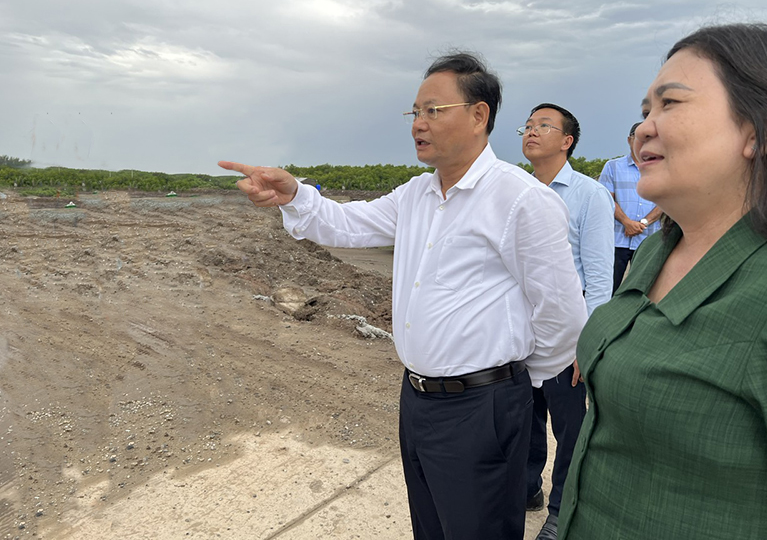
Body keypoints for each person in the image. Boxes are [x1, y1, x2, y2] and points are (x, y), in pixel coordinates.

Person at [219, 52, 588, 540]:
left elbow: (561, 312)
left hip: (484, 406)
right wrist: (295, 196)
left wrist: (514, 384)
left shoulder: (520, 199)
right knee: (432, 528)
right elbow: (347, 223)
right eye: (414, 112)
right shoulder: (417, 194)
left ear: (480, 116)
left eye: (433, 110)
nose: (419, 123)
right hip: (417, 400)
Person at [559, 23, 767, 539]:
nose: (645, 126)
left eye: (670, 104)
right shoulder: (658, 251)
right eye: (647, 109)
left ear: (761, 130)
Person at [519, 103, 614, 540]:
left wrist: (587, 342)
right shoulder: (517, 188)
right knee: (524, 416)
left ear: (567, 141)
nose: (531, 131)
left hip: (566, 331)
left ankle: (560, 510)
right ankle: (528, 489)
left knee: (570, 426)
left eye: (544, 125)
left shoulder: (589, 195)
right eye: (528, 125)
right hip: (521, 327)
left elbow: (598, 277)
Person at [599, 123, 662, 291]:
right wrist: (627, 222)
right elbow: (606, 199)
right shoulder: (612, 167)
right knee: (609, 287)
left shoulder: (662, 169)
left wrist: (643, 222)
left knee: (643, 289)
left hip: (648, 239)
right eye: (640, 137)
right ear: (629, 140)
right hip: (617, 239)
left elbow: (664, 202)